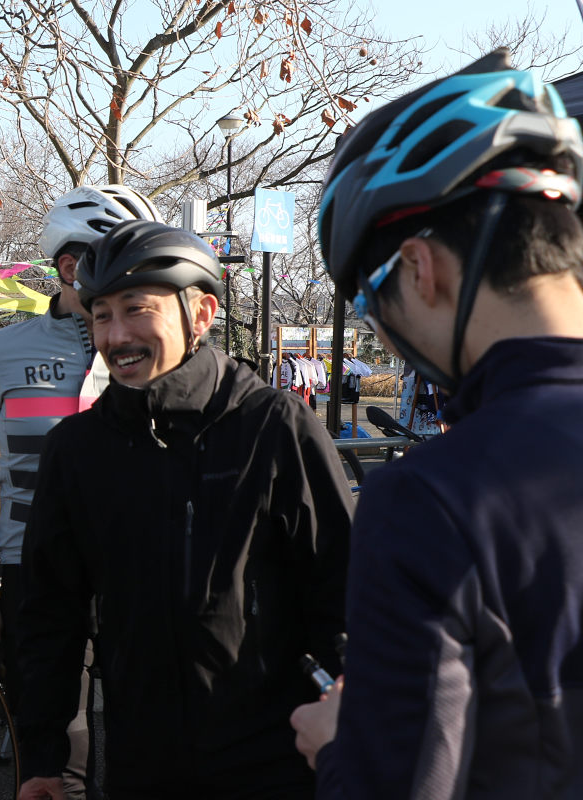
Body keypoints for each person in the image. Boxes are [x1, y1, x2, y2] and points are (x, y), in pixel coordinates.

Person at [289, 49, 583, 799]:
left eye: (371, 302)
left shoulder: (433, 501)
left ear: (421, 268)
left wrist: (335, 747)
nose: (383, 332)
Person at [17, 220, 353, 800]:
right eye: (101, 315)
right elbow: (50, 615)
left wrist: (347, 719)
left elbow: (342, 590)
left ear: (200, 315)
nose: (116, 334)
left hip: (273, 761)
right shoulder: (76, 450)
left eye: (136, 310)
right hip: (141, 761)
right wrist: (45, 758)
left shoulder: (274, 427)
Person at [0, 184, 166, 798]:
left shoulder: (147, 350)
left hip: (133, 576)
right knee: (51, 763)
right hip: (31, 578)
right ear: (70, 266)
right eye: (117, 259)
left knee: (147, 752)